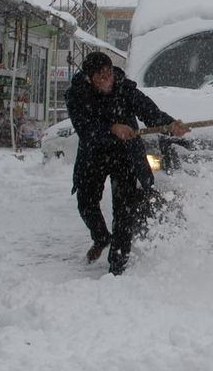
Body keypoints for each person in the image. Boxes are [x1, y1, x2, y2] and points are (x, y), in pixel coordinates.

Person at [65, 52, 189, 275]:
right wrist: (112, 128)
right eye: (101, 76)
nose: (107, 79)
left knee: (124, 211)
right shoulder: (77, 95)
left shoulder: (124, 89)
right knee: (86, 201)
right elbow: (85, 128)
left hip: (125, 155)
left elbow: (149, 111)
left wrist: (170, 124)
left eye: (109, 73)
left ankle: (117, 265)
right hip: (94, 154)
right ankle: (101, 237)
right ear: (89, 78)